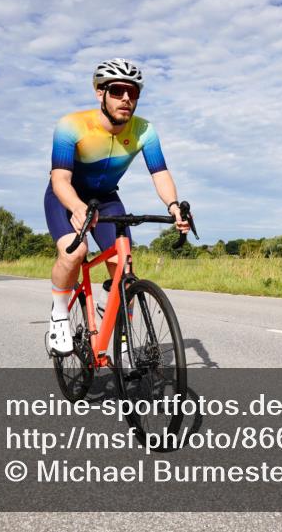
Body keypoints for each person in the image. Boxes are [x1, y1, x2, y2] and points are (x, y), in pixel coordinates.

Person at [44, 58, 189, 356]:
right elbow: (60, 179)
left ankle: (121, 337)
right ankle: (59, 313)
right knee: (76, 251)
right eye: (118, 91)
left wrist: (174, 206)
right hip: (67, 194)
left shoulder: (144, 130)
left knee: (124, 268)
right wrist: (76, 206)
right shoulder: (71, 125)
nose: (126, 98)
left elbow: (159, 173)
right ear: (100, 93)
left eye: (133, 92)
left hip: (107, 197)